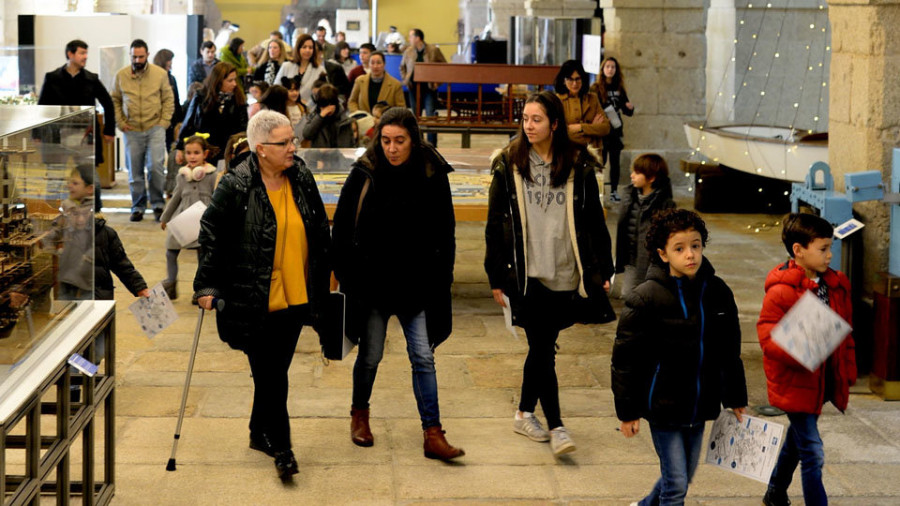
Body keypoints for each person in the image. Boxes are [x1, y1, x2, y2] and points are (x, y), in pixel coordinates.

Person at [194, 110, 332, 479]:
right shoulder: (236, 184)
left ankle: (259, 432)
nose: (293, 147)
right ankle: (283, 447)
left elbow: (318, 228)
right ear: (261, 149)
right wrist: (205, 285)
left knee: (275, 370)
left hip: (296, 292)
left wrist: (330, 276)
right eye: (284, 142)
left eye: (293, 140)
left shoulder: (300, 175)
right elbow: (211, 234)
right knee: (272, 375)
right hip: (252, 295)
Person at [485, 90, 615, 457]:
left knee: (542, 349)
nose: (528, 126)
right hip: (527, 275)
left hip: (565, 273)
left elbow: (593, 220)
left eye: (536, 119)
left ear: (554, 124)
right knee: (543, 349)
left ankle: (524, 413)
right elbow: (496, 225)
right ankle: (557, 426)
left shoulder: (578, 164)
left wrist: (603, 267)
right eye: (525, 119)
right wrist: (496, 276)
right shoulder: (508, 163)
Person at [331, 107, 463, 461]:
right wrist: (346, 275)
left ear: (413, 140)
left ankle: (433, 432)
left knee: (423, 355)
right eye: (386, 140)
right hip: (372, 285)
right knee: (371, 355)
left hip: (417, 284)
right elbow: (342, 228)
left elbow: (446, 230)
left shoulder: (432, 171)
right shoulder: (365, 171)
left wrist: (443, 277)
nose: (392, 148)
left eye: (400, 141)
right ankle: (360, 414)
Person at [612, 208, 747, 506]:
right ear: (663, 254)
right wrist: (627, 412)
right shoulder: (645, 297)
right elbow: (625, 361)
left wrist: (735, 397)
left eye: (696, 246)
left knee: (684, 475)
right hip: (663, 406)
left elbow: (729, 352)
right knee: (676, 486)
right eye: (680, 248)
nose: (690, 255)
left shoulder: (718, 292)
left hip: (700, 404)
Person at [758, 213, 856, 506]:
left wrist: (847, 370)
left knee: (797, 442)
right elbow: (767, 338)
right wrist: (801, 349)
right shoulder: (781, 291)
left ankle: (775, 492)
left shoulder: (836, 285)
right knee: (813, 451)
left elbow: (846, 332)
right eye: (823, 248)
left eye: (830, 247)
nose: (830, 254)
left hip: (822, 381)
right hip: (795, 383)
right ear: (798, 250)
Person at [37, 39, 116, 211]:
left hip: (85, 138)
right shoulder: (52, 78)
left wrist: (109, 130)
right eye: (82, 53)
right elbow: (42, 107)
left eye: (86, 53)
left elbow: (108, 103)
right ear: (70, 54)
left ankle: (94, 213)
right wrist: (37, 134)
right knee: (55, 177)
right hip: (58, 137)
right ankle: (51, 213)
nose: (85, 57)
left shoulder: (92, 79)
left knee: (89, 176)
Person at [111, 39, 174, 222]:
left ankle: (157, 204)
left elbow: (168, 99)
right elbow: (114, 100)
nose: (137, 60)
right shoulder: (121, 75)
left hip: (155, 127)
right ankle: (137, 206)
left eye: (141, 56)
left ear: (147, 55)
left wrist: (163, 122)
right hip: (131, 129)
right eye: (134, 57)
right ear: (130, 56)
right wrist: (120, 122)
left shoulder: (160, 74)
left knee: (155, 167)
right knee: (134, 172)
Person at [160, 135, 218, 301]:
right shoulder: (182, 176)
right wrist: (165, 218)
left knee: (202, 256)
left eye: (196, 153)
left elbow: (217, 197)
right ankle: (171, 283)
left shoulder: (211, 176)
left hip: (202, 222)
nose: (192, 156)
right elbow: (176, 198)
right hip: (182, 220)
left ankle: (200, 289)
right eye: (188, 153)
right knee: (171, 251)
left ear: (205, 154)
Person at [613, 153, 675, 299]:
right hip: (631, 259)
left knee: (647, 297)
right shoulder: (629, 197)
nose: (632, 176)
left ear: (651, 178)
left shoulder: (664, 204)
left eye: (637, 172)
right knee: (628, 295)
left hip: (652, 262)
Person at [176, 62, 249, 165]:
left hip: (228, 152)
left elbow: (243, 128)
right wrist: (179, 147)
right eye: (230, 80)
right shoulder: (200, 96)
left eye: (235, 79)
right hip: (204, 151)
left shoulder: (238, 99)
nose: (234, 84)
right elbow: (188, 123)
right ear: (219, 81)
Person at [589, 56, 634, 202]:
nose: (610, 69)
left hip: (615, 129)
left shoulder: (619, 87)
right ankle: (597, 190)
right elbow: (591, 107)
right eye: (607, 66)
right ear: (602, 69)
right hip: (602, 130)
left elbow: (626, 110)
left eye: (613, 67)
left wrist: (630, 108)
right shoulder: (595, 88)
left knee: (615, 162)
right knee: (600, 161)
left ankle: (614, 191)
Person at [400, 28, 446, 146]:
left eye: (411, 37)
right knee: (415, 116)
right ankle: (418, 143)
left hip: (429, 88)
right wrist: (405, 80)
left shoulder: (433, 50)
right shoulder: (408, 51)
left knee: (430, 115)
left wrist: (438, 82)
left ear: (417, 38)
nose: (409, 39)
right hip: (413, 88)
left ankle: (432, 144)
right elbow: (402, 67)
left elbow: (444, 66)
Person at [554, 60, 609, 149]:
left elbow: (605, 128)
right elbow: (559, 133)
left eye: (577, 79)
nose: (575, 83)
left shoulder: (592, 98)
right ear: (563, 81)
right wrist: (592, 131)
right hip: (568, 154)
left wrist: (580, 127)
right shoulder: (557, 101)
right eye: (570, 79)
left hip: (593, 156)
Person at [274, 34, 327, 108]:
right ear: (298, 49)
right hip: (287, 108)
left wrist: (306, 104)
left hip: (310, 110)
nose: (307, 50)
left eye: (310, 48)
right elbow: (275, 89)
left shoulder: (320, 70)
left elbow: (325, 94)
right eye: (304, 47)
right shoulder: (286, 66)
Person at [300, 83, 356, 148]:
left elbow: (351, 144)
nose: (327, 110)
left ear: (335, 104)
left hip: (340, 156)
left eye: (329, 105)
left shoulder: (345, 120)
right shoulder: (314, 117)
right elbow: (307, 134)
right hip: (320, 156)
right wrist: (320, 117)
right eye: (323, 106)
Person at [152, 49, 184, 151]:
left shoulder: (171, 78)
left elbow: (176, 101)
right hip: (158, 121)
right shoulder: (153, 79)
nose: (171, 63)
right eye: (169, 60)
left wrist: (179, 121)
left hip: (171, 121)